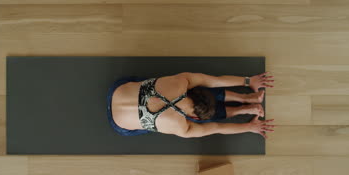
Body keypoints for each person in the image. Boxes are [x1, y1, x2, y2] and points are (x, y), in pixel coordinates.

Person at [107, 72, 275, 138]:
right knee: (206, 114)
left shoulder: (182, 82)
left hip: (118, 90)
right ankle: (245, 101)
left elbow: (216, 127)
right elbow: (216, 127)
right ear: (193, 117)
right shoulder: (182, 127)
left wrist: (249, 126)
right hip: (120, 125)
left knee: (206, 116)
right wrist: (248, 81)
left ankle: (245, 102)